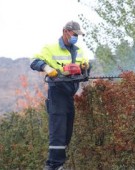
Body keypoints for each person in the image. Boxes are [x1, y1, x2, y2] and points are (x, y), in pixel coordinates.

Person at [30, 21, 90, 170]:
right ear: (65, 31)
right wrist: (47, 68)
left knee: (67, 133)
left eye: (78, 35)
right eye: (75, 34)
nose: (76, 37)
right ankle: (53, 165)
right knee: (58, 132)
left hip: (70, 94)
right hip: (57, 93)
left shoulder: (78, 50)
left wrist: (84, 68)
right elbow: (34, 61)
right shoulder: (50, 48)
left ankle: (59, 164)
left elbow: (86, 65)